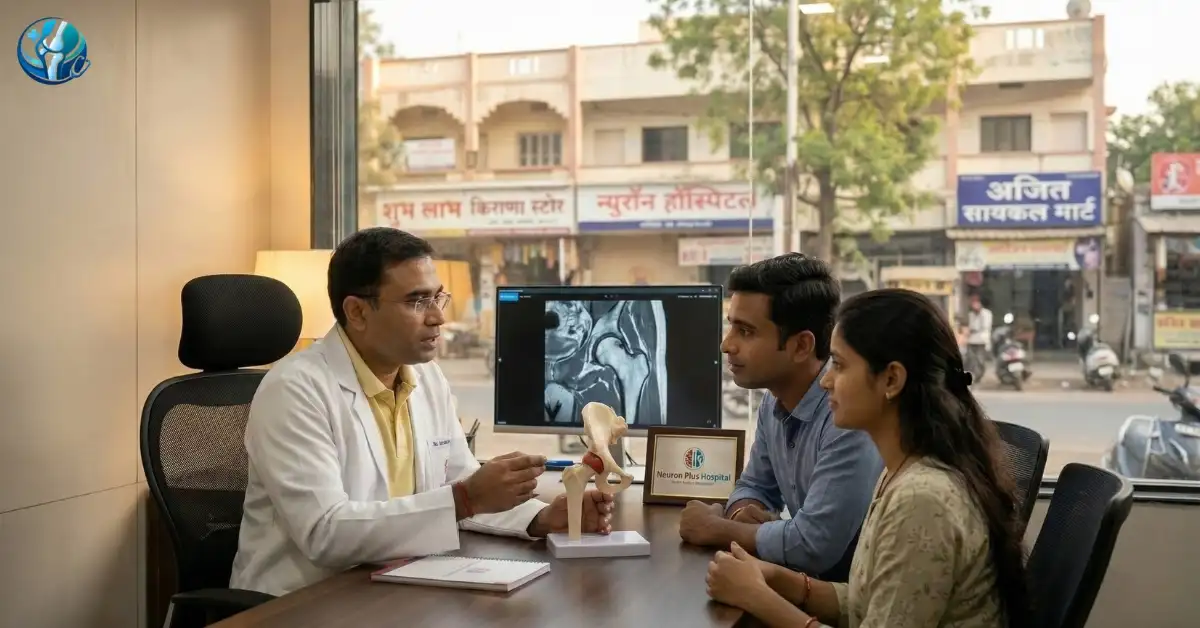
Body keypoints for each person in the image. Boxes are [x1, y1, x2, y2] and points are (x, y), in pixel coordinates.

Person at [230, 228, 614, 596]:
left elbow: (461, 483)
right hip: (301, 601)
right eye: (417, 301)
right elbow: (324, 532)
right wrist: (465, 498)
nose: (438, 317)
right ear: (357, 312)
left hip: (393, 582)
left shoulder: (425, 377)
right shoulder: (294, 390)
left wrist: (541, 518)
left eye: (437, 297)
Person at [704, 288, 1031, 628]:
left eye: (840, 365)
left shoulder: (921, 499)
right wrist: (778, 579)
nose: (826, 381)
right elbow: (865, 602)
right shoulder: (901, 471)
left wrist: (757, 597)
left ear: (891, 379)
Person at [677, 253, 883, 580]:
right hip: (803, 585)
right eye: (731, 326)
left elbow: (814, 545)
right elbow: (753, 485)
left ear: (801, 346)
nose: (726, 345)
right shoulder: (774, 401)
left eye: (745, 331)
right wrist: (743, 513)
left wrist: (715, 528)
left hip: (846, 598)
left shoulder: (847, 417)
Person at [965, 294, 992, 377]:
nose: (974, 306)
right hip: (972, 340)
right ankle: (973, 374)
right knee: (971, 359)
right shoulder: (971, 314)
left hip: (982, 340)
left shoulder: (986, 313)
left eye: (975, 303)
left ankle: (979, 374)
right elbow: (970, 326)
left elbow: (985, 326)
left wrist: (972, 329)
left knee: (980, 360)